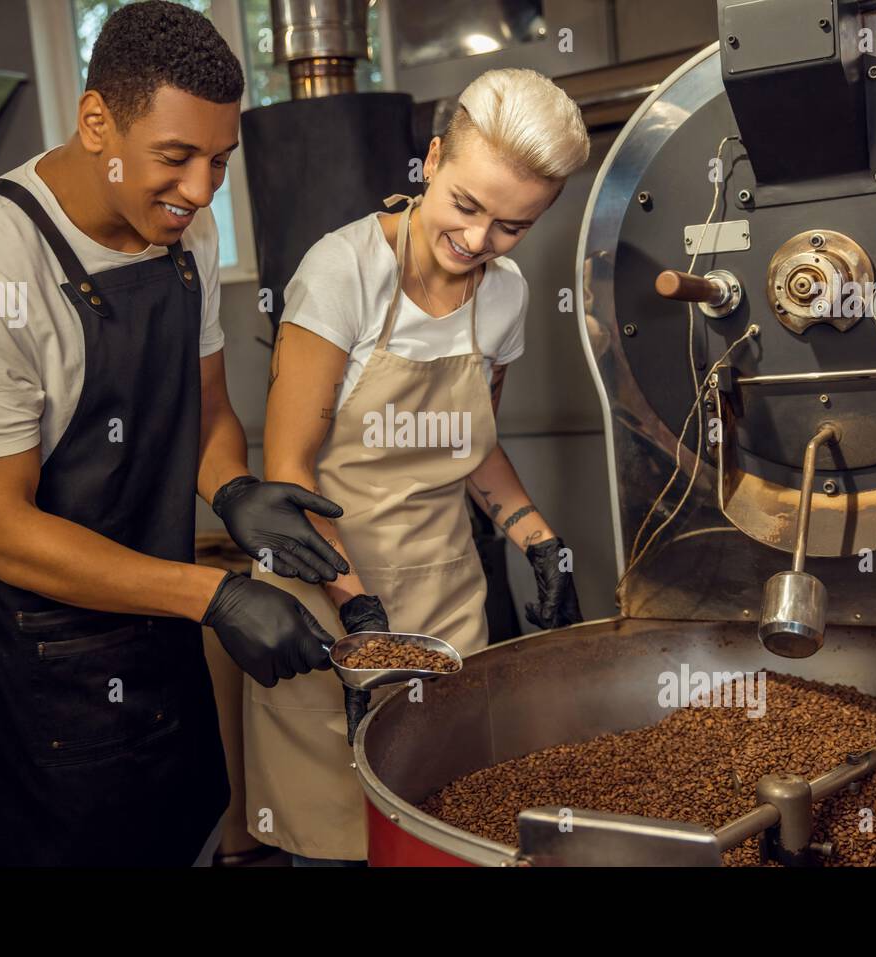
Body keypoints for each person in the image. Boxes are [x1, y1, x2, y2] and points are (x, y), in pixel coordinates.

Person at [0, 1, 345, 866]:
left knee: (186, 830)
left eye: (219, 162)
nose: (199, 189)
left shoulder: (185, 227)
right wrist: (213, 596)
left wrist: (232, 487)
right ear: (96, 120)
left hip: (164, 635)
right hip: (53, 674)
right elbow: (0, 532)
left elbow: (207, 406)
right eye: (176, 158)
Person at [247, 68, 590, 865]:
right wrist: (363, 623)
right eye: (466, 206)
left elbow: (474, 447)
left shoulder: (502, 298)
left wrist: (536, 537)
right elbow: (286, 473)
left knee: (446, 828)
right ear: (431, 160)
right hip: (326, 607)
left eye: (510, 227)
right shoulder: (342, 272)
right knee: (330, 840)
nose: (477, 241)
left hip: (445, 601)